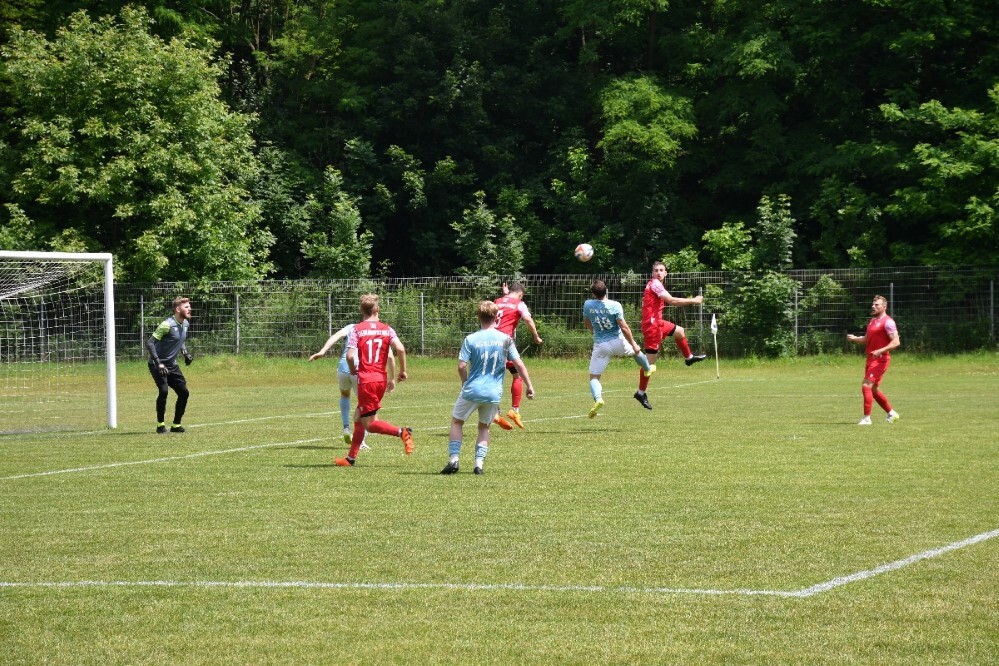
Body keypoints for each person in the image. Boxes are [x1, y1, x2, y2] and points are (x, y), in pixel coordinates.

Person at [441, 301, 536, 475]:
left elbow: (461, 366)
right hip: (493, 393)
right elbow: (519, 364)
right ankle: (479, 465)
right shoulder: (506, 340)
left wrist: (464, 381)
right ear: (496, 317)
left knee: (457, 422)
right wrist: (529, 385)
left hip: (472, 389)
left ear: (478, 317)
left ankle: (454, 460)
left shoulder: (470, 339)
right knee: (484, 427)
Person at [335, 294, 414, 466]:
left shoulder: (357, 329)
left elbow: (349, 355)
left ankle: (402, 432)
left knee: (370, 424)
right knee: (358, 417)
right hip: (380, 379)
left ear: (361, 311)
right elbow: (400, 349)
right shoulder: (387, 329)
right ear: (377, 309)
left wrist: (352, 368)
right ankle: (351, 458)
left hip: (366, 380)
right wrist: (403, 371)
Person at [634, 261, 706, 410]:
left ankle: (689, 357)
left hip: (658, 322)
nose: (659, 272)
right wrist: (694, 300)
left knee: (679, 331)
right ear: (652, 274)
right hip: (652, 326)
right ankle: (641, 393)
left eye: (661, 270)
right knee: (649, 365)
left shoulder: (656, 284)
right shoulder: (655, 284)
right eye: (656, 270)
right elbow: (672, 300)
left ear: (666, 273)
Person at [582, 280, 653, 418]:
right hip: (618, 342)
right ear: (606, 290)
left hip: (601, 345)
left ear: (593, 293)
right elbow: (624, 327)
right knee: (636, 353)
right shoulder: (615, 305)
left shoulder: (588, 304)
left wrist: (593, 331)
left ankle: (598, 399)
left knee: (594, 377)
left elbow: (586, 322)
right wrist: (633, 343)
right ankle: (647, 368)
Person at [492, 281, 543, 430]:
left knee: (493, 376)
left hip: (489, 340)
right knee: (516, 375)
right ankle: (515, 410)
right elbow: (527, 318)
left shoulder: (498, 301)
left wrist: (506, 294)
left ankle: (495, 410)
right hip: (505, 343)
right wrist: (536, 336)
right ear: (520, 294)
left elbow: (505, 304)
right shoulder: (519, 303)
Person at [309, 323, 368, 450]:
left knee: (345, 395)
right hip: (359, 368)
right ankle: (361, 441)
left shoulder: (351, 327)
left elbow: (335, 336)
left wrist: (322, 351)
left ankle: (346, 428)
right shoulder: (371, 329)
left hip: (343, 367)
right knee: (365, 404)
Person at [847, 295, 901, 425]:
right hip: (871, 358)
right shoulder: (872, 321)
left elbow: (896, 342)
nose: (873, 306)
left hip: (880, 359)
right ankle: (892, 413)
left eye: (877, 305)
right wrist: (854, 338)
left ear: (884, 307)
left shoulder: (888, 322)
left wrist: (880, 351)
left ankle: (866, 418)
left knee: (866, 386)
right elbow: (866, 339)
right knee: (873, 389)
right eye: (873, 304)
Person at [146, 296, 193, 434]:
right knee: (164, 391)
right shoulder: (167, 324)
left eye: (189, 307)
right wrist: (159, 363)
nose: (190, 309)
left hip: (172, 364)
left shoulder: (185, 324)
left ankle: (176, 425)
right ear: (178, 309)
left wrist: (185, 353)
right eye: (186, 307)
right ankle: (160, 425)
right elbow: (149, 343)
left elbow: (180, 340)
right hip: (157, 364)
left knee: (184, 393)